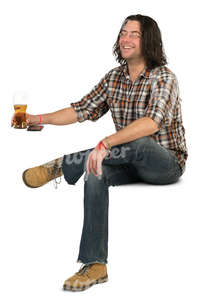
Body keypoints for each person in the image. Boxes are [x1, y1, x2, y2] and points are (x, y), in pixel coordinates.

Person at [12, 14, 188, 291]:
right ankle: (95, 265)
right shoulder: (113, 78)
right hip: (125, 162)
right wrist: (37, 119)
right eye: (123, 33)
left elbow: (151, 123)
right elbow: (81, 110)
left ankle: (62, 165)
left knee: (140, 141)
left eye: (134, 34)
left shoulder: (163, 77)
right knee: (94, 172)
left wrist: (105, 143)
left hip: (165, 163)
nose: (125, 39)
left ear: (148, 41)